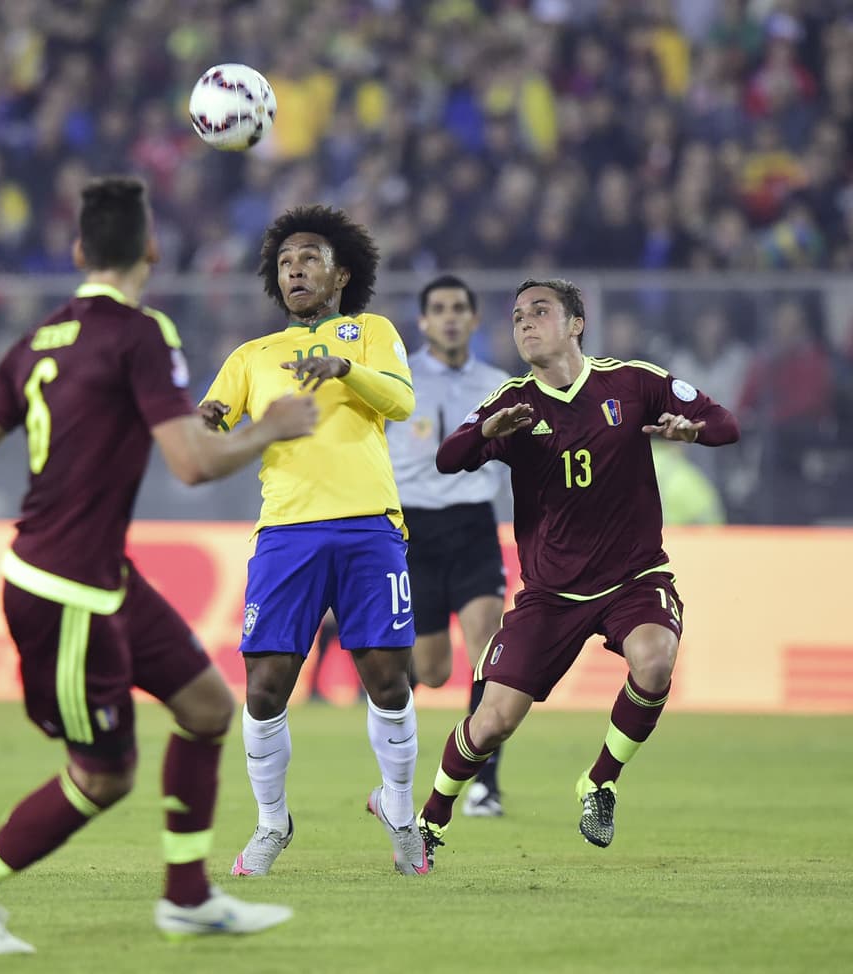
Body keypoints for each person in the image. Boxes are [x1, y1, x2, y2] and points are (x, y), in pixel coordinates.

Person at [0, 176, 315, 956]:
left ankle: (188, 896)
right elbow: (192, 465)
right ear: (152, 250)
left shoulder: (35, 343)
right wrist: (267, 428)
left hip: (99, 576)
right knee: (104, 777)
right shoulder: (141, 335)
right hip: (66, 593)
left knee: (207, 708)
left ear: (77, 251)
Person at [415, 278, 740, 870]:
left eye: (541, 311)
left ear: (576, 323)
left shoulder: (633, 382)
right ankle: (431, 817)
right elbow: (448, 456)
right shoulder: (513, 403)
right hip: (549, 595)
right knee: (492, 722)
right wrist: (486, 433)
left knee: (656, 660)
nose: (526, 323)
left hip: (634, 579)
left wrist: (692, 431)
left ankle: (599, 783)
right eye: (517, 317)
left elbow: (724, 422)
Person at [200, 205, 426, 878]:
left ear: (340, 273)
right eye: (285, 263)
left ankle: (401, 811)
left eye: (309, 259)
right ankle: (273, 824)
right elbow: (219, 436)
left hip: (368, 525)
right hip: (287, 533)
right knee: (266, 688)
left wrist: (342, 369)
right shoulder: (251, 357)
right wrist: (210, 424)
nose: (295, 269)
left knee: (388, 680)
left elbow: (402, 402)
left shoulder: (372, 333)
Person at [386, 274, 511, 817]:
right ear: (423, 320)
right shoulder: (396, 379)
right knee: (433, 669)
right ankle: (395, 766)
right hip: (414, 530)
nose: (450, 317)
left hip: (474, 526)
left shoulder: (498, 383)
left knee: (488, 647)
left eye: (459, 307)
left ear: (475, 318)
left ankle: (484, 783)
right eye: (439, 308)